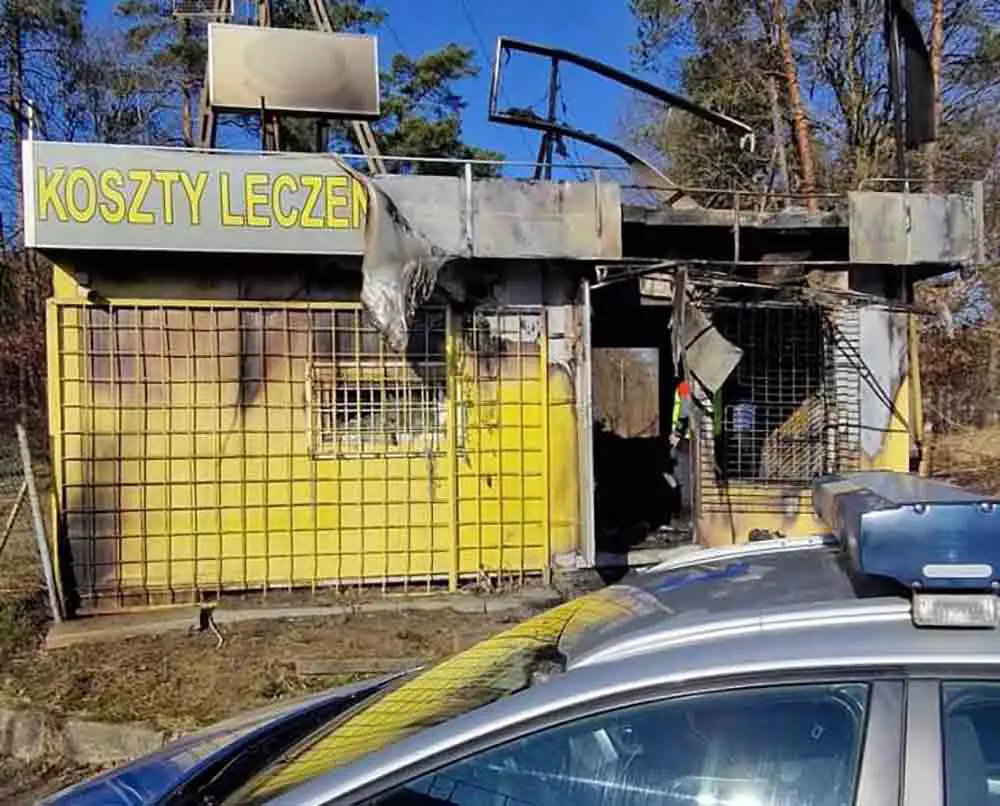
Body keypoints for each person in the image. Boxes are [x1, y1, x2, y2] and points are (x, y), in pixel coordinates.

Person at [665, 378, 692, 526]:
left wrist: (677, 434)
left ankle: (684, 513)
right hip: (685, 439)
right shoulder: (686, 386)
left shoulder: (684, 386)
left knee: (682, 478)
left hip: (683, 441)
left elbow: (685, 412)